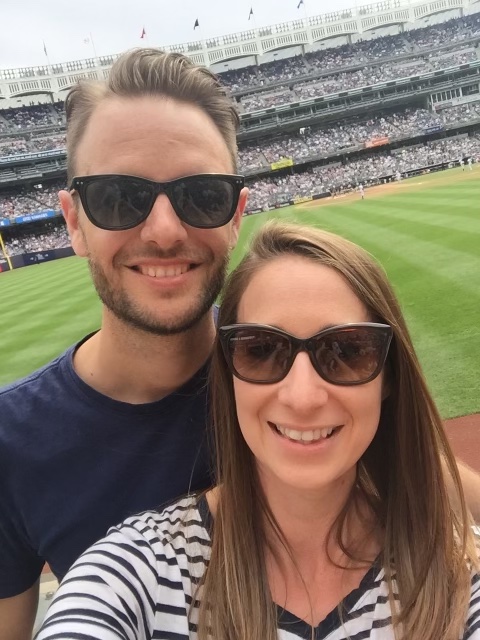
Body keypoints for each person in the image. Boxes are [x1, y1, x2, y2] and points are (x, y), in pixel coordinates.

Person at [36, 221, 480, 640]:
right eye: (261, 350)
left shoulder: (460, 566)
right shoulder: (133, 570)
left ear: (390, 378)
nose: (302, 396)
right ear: (228, 376)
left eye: (347, 350)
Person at [0, 48, 248, 639]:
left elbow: (427, 486)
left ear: (237, 214)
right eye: (118, 198)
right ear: (74, 221)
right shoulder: (10, 443)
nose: (164, 231)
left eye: (202, 195)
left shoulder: (296, 378)